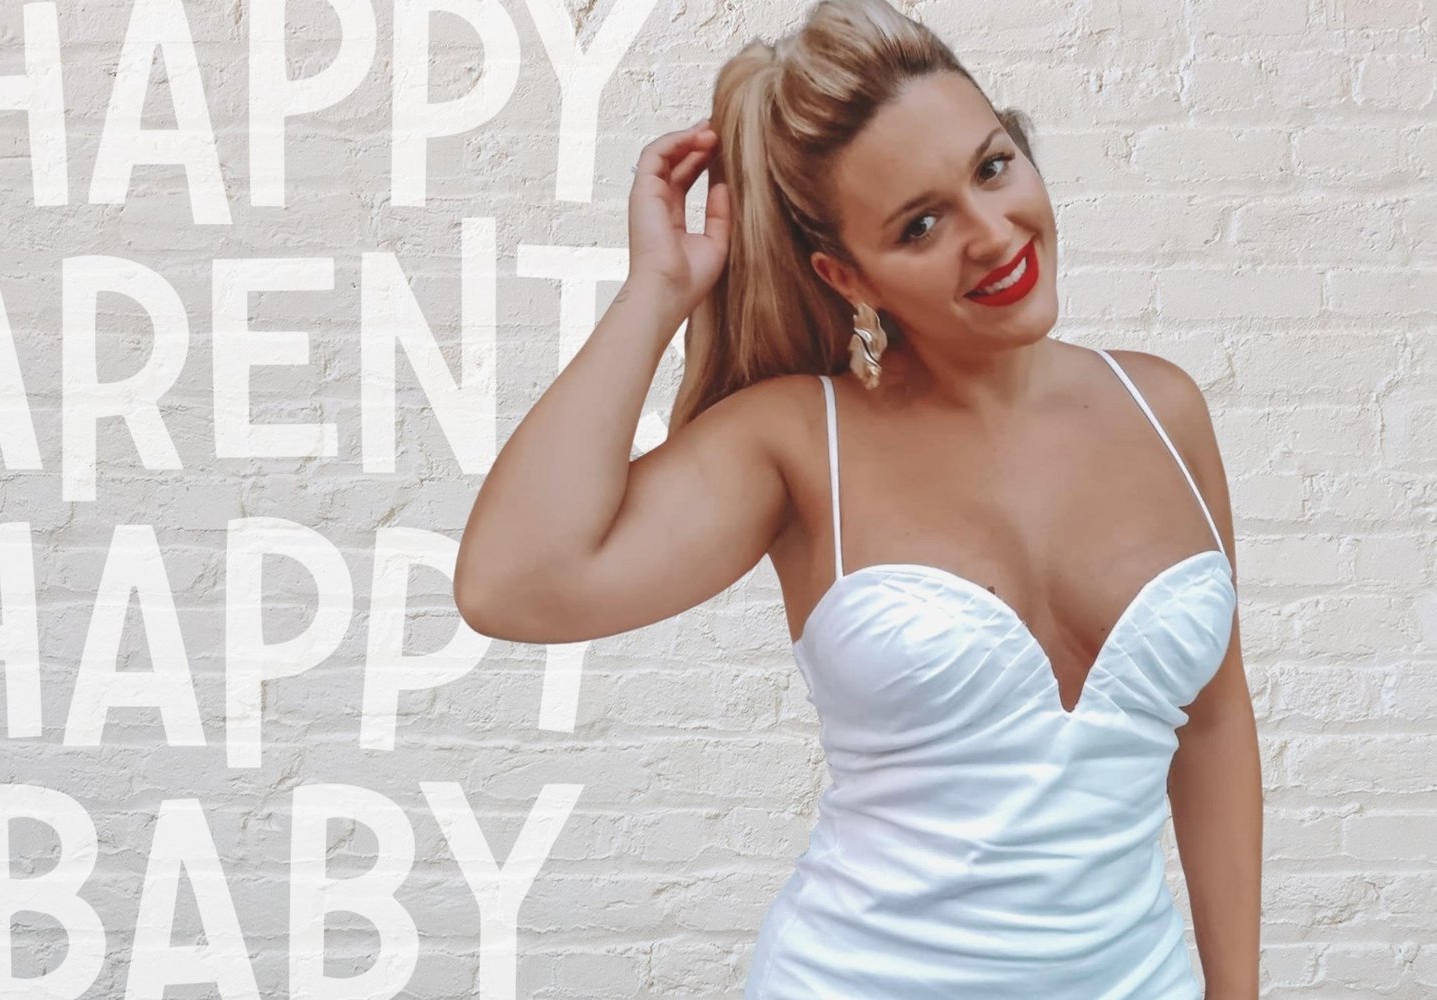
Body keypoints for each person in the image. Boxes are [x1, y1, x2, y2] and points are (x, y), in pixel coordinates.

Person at [455, 0, 1263, 996]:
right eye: (921, 225)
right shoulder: (800, 440)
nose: (992, 234)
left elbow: (1214, 725)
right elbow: (511, 584)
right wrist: (655, 292)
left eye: (993, 166)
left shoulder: (1163, 407)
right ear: (849, 275)